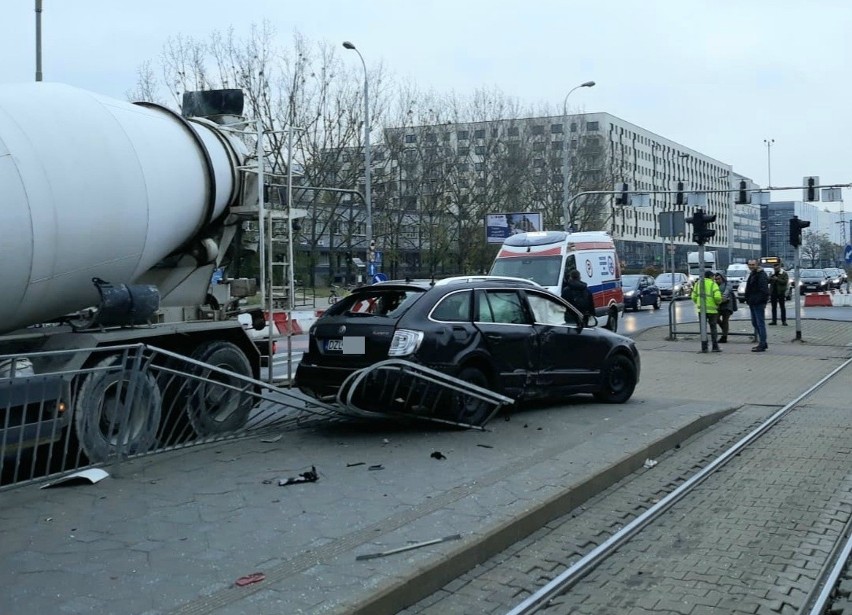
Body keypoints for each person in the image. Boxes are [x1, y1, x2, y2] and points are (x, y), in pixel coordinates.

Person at [691, 270, 723, 352]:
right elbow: (717, 297)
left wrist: (698, 303)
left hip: (701, 310)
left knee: (703, 328)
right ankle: (715, 346)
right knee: (713, 328)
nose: (714, 278)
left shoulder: (698, 284)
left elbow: (693, 296)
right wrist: (718, 303)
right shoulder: (713, 284)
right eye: (713, 277)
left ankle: (704, 347)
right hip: (712, 311)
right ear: (710, 277)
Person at [744, 259, 770, 352]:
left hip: (758, 302)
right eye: (749, 264)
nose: (751, 266)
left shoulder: (761, 275)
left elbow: (764, 290)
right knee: (755, 323)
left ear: (757, 264)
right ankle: (763, 342)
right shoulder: (753, 274)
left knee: (759, 323)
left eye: (753, 264)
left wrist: (758, 300)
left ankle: (762, 343)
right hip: (753, 302)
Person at [714, 271, 737, 343]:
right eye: (716, 279)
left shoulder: (727, 284)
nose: (717, 280)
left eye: (719, 279)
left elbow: (726, 292)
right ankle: (725, 330)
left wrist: (723, 297)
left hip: (727, 305)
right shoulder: (715, 285)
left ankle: (724, 336)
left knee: (725, 320)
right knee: (716, 318)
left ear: (723, 278)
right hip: (719, 305)